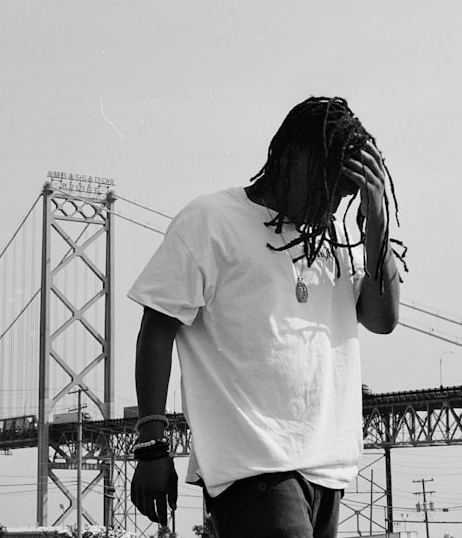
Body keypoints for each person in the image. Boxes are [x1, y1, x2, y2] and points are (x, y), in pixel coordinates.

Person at [127, 96, 405, 538]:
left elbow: (382, 318)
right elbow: (156, 328)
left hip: (327, 469)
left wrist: (376, 225)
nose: (332, 205)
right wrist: (150, 445)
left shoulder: (330, 238)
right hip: (252, 465)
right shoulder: (211, 219)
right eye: (329, 187)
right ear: (294, 158)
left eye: (344, 195)